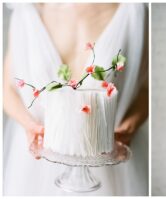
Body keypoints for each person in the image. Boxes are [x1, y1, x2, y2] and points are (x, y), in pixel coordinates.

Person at [3, 3, 148, 196]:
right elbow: (6, 88)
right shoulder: (27, 10)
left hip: (112, 159)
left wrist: (128, 128)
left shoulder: (132, 10)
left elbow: (146, 89)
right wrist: (29, 125)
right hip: (37, 164)